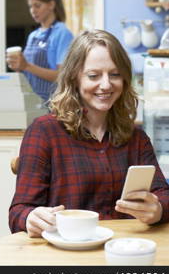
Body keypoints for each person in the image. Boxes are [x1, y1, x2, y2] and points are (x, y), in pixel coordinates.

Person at [9, 29, 169, 238]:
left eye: (115, 74)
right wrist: (31, 217)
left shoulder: (136, 138)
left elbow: (163, 195)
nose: (106, 84)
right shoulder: (44, 132)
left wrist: (157, 209)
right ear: (75, 78)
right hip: (66, 256)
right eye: (94, 75)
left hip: (122, 252)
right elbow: (18, 213)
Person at [6, 0, 73, 103]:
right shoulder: (33, 35)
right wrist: (18, 66)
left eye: (37, 6)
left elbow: (62, 76)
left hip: (53, 103)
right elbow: (27, 71)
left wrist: (26, 66)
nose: (33, 11)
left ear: (51, 5)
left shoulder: (63, 34)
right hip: (31, 101)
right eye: (30, 6)